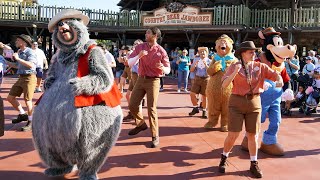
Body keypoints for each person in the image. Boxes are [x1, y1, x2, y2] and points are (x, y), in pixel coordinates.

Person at [218, 41, 283, 178]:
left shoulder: (260, 66)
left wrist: (279, 79)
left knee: (253, 134)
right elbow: (224, 85)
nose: (254, 54)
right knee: (233, 134)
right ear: (243, 54)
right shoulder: (234, 66)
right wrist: (235, 72)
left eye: (254, 51)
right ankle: (224, 158)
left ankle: (254, 163)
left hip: (254, 102)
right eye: (250, 52)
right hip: (236, 101)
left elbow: (275, 74)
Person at [127, 27, 170, 148]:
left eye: (148, 33)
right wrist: (139, 56)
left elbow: (168, 69)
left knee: (151, 108)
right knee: (132, 105)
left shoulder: (161, 51)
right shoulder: (140, 47)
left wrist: (162, 68)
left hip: (154, 81)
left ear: (155, 35)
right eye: (146, 32)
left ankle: (155, 136)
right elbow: (130, 63)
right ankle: (140, 124)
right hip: (141, 79)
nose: (146, 34)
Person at [5, 34, 37, 131]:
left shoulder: (30, 52)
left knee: (28, 100)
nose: (16, 42)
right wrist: (6, 62)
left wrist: (18, 58)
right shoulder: (19, 51)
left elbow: (31, 65)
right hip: (21, 77)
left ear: (23, 42)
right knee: (10, 98)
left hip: (29, 78)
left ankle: (30, 121)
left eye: (18, 40)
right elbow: (18, 66)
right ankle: (23, 114)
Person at [123, 39, 144, 121]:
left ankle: (139, 118)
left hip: (138, 75)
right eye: (134, 43)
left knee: (137, 98)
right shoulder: (133, 53)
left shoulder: (141, 53)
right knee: (127, 95)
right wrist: (125, 60)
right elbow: (127, 64)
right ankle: (132, 113)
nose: (135, 45)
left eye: (137, 44)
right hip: (133, 75)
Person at [188, 47, 211, 118]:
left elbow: (210, 72)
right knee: (192, 94)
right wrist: (194, 65)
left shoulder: (210, 61)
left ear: (207, 53)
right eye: (201, 53)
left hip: (206, 79)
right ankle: (195, 108)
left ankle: (204, 111)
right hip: (197, 79)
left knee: (204, 96)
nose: (202, 54)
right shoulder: (196, 60)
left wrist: (206, 65)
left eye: (204, 53)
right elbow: (191, 70)